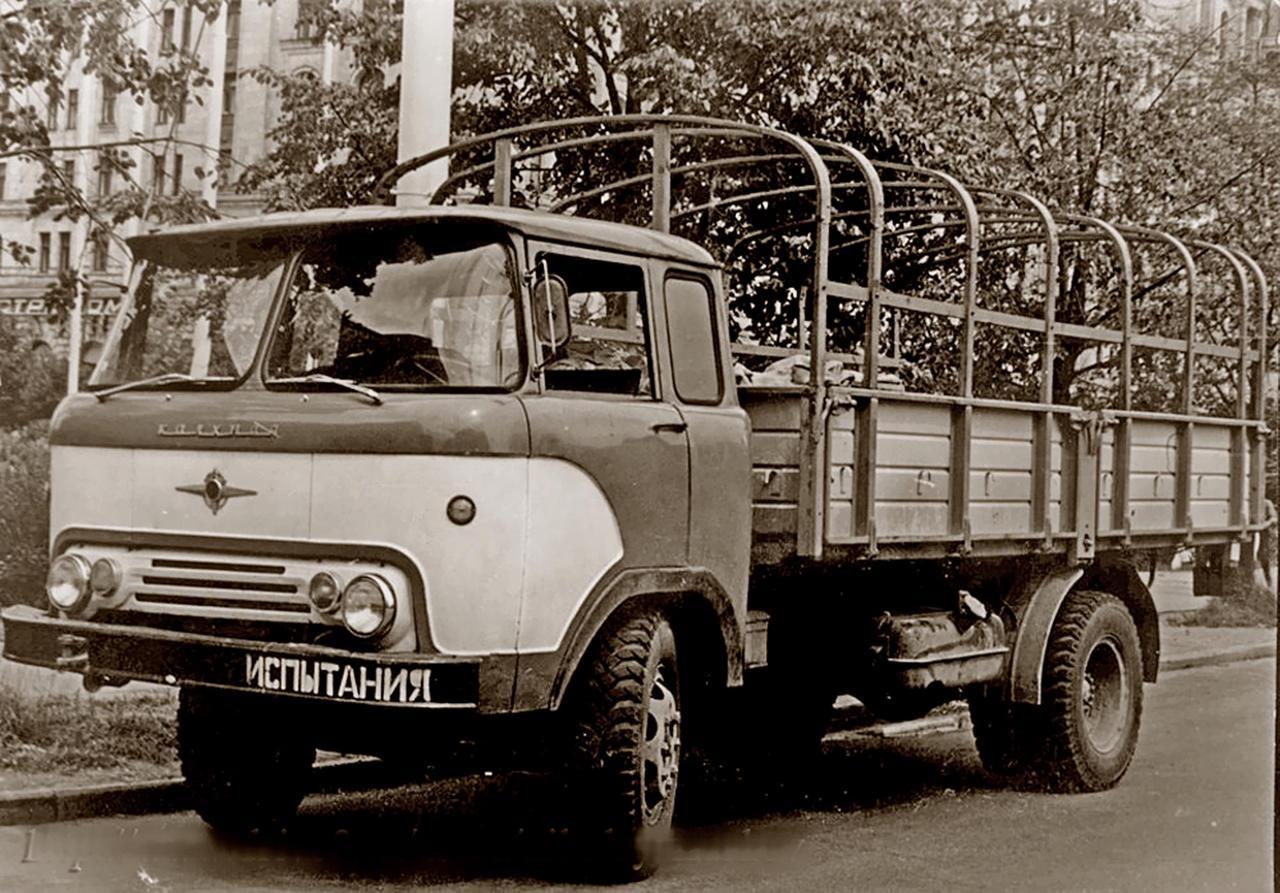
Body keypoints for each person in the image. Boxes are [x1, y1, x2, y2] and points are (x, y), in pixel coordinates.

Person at [1260, 497, 1277, 591]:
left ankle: (1268, 580)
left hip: (1263, 532)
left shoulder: (1266, 503)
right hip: (1250, 532)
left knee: (1264, 556)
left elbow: (1274, 519)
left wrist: (1267, 523)